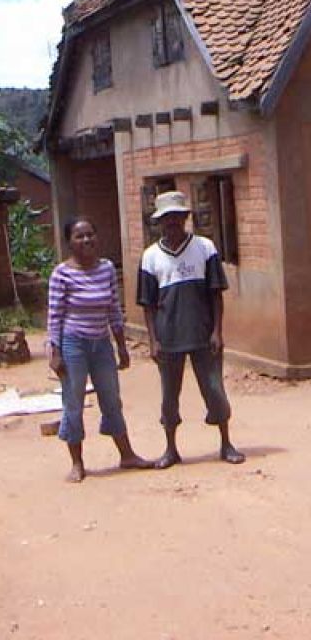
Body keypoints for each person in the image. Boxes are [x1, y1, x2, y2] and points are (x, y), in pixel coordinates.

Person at [136, 190, 245, 468]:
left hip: (203, 333)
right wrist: (153, 340)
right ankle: (171, 449)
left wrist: (217, 331)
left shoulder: (205, 248)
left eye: (177, 217)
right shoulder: (150, 257)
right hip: (168, 337)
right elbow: (147, 305)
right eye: (166, 218)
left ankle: (226, 443)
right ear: (159, 222)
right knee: (169, 397)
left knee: (214, 390)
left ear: (185, 218)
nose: (172, 223)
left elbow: (216, 294)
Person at [47, 217, 152, 483]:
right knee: (73, 404)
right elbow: (55, 315)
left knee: (111, 399)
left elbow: (114, 310)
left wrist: (121, 347)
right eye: (79, 236)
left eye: (90, 235)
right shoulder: (62, 273)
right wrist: (55, 352)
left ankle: (127, 455)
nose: (86, 241)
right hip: (73, 345)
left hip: (102, 344)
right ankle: (77, 463)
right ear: (69, 242)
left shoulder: (106, 269)